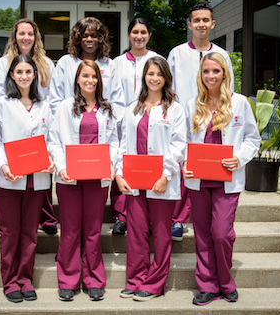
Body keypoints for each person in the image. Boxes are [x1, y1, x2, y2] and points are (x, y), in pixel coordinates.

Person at [182, 52, 260, 306]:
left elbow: (252, 138)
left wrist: (240, 158)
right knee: (203, 234)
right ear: (200, 75)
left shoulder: (239, 103)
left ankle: (226, 284)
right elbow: (182, 140)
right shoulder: (192, 103)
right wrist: (184, 163)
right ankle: (207, 285)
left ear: (224, 73)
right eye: (206, 71)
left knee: (221, 233)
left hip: (227, 177)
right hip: (199, 179)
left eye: (215, 71)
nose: (211, 76)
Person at [115, 57, 186, 301]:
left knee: (162, 234)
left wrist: (166, 175)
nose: (154, 78)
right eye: (150, 73)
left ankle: (155, 283)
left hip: (161, 182)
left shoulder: (174, 108)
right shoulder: (133, 107)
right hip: (135, 181)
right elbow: (124, 142)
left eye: (159, 74)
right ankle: (135, 280)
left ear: (166, 77)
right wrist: (119, 172)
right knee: (135, 232)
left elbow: (178, 145)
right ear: (144, 76)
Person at [0, 54, 54, 303]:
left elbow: (52, 141)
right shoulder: (3, 104)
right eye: (19, 72)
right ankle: (10, 281)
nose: (24, 76)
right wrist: (2, 165)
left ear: (35, 75)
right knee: (10, 233)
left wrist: (53, 160)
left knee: (30, 234)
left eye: (28, 71)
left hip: (37, 181)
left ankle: (25, 279)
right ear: (12, 75)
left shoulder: (45, 106)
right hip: (9, 180)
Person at [48, 60, 119, 302]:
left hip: (97, 179)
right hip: (69, 178)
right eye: (85, 76)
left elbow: (115, 142)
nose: (90, 80)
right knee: (69, 231)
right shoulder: (64, 107)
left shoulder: (107, 109)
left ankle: (94, 280)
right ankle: (68, 280)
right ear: (77, 79)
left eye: (94, 76)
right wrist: (61, 166)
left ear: (99, 80)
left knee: (93, 230)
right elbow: (54, 140)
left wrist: (111, 164)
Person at [167, 1, 235, 242]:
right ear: (189, 24)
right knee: (183, 165)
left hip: (213, 118)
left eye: (206, 20)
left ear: (213, 24)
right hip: (184, 117)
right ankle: (178, 220)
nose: (201, 24)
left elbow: (230, 88)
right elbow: (169, 87)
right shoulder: (177, 53)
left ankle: (200, 218)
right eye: (197, 20)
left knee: (207, 170)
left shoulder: (221, 54)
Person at [0, 18, 58, 235]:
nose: (26, 37)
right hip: (13, 131)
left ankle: (46, 219)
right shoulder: (3, 63)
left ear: (36, 37)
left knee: (38, 188)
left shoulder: (46, 63)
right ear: (15, 36)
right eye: (21, 33)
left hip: (40, 126)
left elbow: (52, 99)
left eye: (30, 33)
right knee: (12, 227)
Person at [110, 18, 165, 234]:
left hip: (152, 119)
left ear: (149, 35)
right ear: (128, 35)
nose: (139, 36)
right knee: (122, 165)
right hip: (124, 120)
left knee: (149, 163)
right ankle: (121, 215)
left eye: (143, 32)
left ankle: (150, 215)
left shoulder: (157, 59)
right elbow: (112, 93)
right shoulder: (118, 62)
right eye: (135, 32)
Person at [48, 17, 125, 121]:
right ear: (78, 39)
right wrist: (64, 122)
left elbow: (117, 100)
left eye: (94, 36)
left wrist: (108, 123)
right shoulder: (65, 63)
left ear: (101, 39)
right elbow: (55, 99)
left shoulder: (109, 65)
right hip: (70, 122)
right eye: (85, 36)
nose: (89, 39)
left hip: (101, 124)